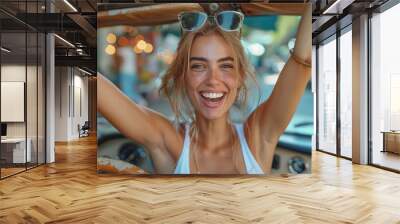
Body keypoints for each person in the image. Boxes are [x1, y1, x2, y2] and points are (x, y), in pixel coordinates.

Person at [98, 5, 311, 174]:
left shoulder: (259, 134)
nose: (213, 80)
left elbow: (302, 61)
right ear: (183, 77)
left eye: (226, 66)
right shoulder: (168, 140)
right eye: (198, 66)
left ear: (240, 77)